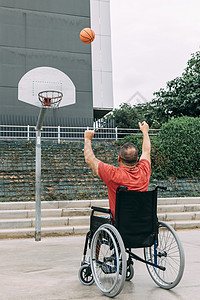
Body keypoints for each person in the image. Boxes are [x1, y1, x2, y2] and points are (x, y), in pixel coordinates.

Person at [84, 121, 151, 220]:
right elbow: (146, 151)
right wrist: (145, 132)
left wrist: (87, 139)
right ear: (137, 160)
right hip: (144, 222)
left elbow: (90, 159)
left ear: (119, 159)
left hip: (120, 223)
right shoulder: (144, 171)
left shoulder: (112, 174)